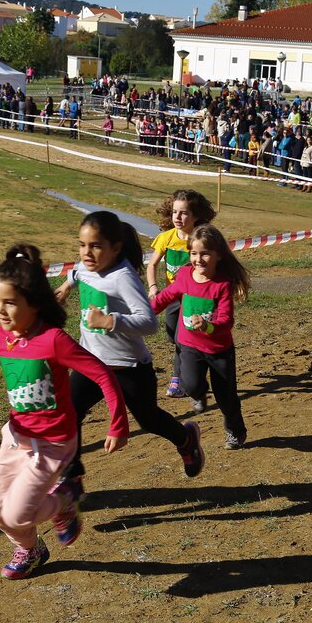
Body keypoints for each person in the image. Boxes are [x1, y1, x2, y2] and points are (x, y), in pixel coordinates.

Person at [0, 243, 129, 580]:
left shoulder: (52, 340)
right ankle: (31, 550)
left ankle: (65, 499)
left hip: (52, 444)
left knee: (17, 512)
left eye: (10, 302)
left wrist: (118, 423)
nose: (1, 311)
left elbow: (102, 373)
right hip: (16, 438)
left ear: (34, 303)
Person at [55, 212, 205, 495]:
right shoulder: (86, 264)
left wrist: (110, 321)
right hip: (91, 364)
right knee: (69, 413)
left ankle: (185, 439)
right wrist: (65, 286)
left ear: (116, 248)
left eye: (96, 246)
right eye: (82, 245)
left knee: (148, 419)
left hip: (129, 367)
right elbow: (77, 272)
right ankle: (71, 477)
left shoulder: (124, 278)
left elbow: (149, 322)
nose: (87, 252)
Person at [151, 225, 251, 449]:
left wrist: (208, 326)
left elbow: (227, 320)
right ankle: (199, 394)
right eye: (194, 253)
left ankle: (236, 431)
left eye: (205, 253)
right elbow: (167, 295)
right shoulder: (185, 274)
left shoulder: (222, 284)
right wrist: (147, 311)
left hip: (219, 350)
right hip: (189, 346)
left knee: (226, 398)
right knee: (191, 384)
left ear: (218, 255)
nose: (198, 259)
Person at [147, 190, 216, 403]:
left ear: (195, 216)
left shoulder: (200, 239)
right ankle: (194, 371)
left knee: (182, 339)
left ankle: (178, 380)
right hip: (171, 297)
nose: (178, 217)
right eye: (175, 212)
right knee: (172, 337)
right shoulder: (165, 238)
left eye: (184, 213)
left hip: (193, 299)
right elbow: (152, 264)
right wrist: (153, 286)